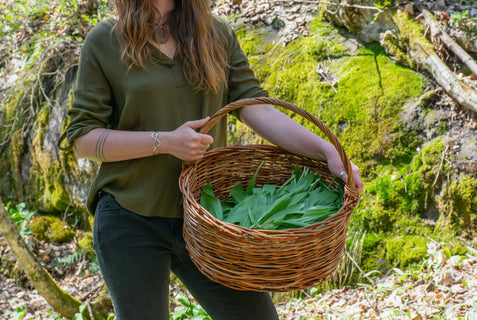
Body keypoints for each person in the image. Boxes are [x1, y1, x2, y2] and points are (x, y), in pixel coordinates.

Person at [65, 0, 364, 319]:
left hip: (212, 219)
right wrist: (164, 142)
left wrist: (327, 151)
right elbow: (83, 138)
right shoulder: (105, 40)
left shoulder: (215, 34)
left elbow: (256, 108)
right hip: (130, 215)